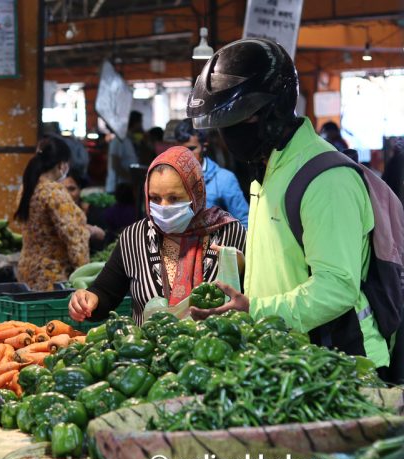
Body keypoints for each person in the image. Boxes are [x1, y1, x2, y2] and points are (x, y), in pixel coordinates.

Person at [186, 38, 389, 368]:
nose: (229, 135)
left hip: (341, 364)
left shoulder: (326, 179)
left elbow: (336, 288)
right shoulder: (267, 170)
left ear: (274, 110)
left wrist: (255, 309)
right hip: (289, 356)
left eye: (241, 121)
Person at [69, 146, 246, 324]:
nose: (164, 207)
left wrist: (240, 268)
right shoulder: (134, 238)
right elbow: (106, 293)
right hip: (147, 348)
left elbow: (254, 298)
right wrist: (88, 301)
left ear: (196, 192)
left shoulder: (230, 234)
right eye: (154, 198)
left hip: (213, 348)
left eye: (174, 198)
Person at [16, 137, 89, 291]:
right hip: (52, 277)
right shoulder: (54, 192)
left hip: (27, 271)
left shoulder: (27, 188)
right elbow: (73, 237)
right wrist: (84, 274)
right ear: (61, 164)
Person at [175, 118, 249, 226]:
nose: (185, 155)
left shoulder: (224, 179)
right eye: (181, 150)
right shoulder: (171, 177)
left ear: (204, 146)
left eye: (191, 149)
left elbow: (244, 221)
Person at [62, 172, 107, 252]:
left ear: (80, 190)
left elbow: (103, 240)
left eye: (72, 189)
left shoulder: (94, 212)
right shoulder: (55, 215)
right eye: (62, 189)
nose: (67, 194)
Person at [106, 111, 142, 194]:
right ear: (135, 123)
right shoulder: (119, 140)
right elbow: (115, 165)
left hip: (126, 186)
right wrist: (131, 178)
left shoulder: (128, 140)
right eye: (140, 122)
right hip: (118, 187)